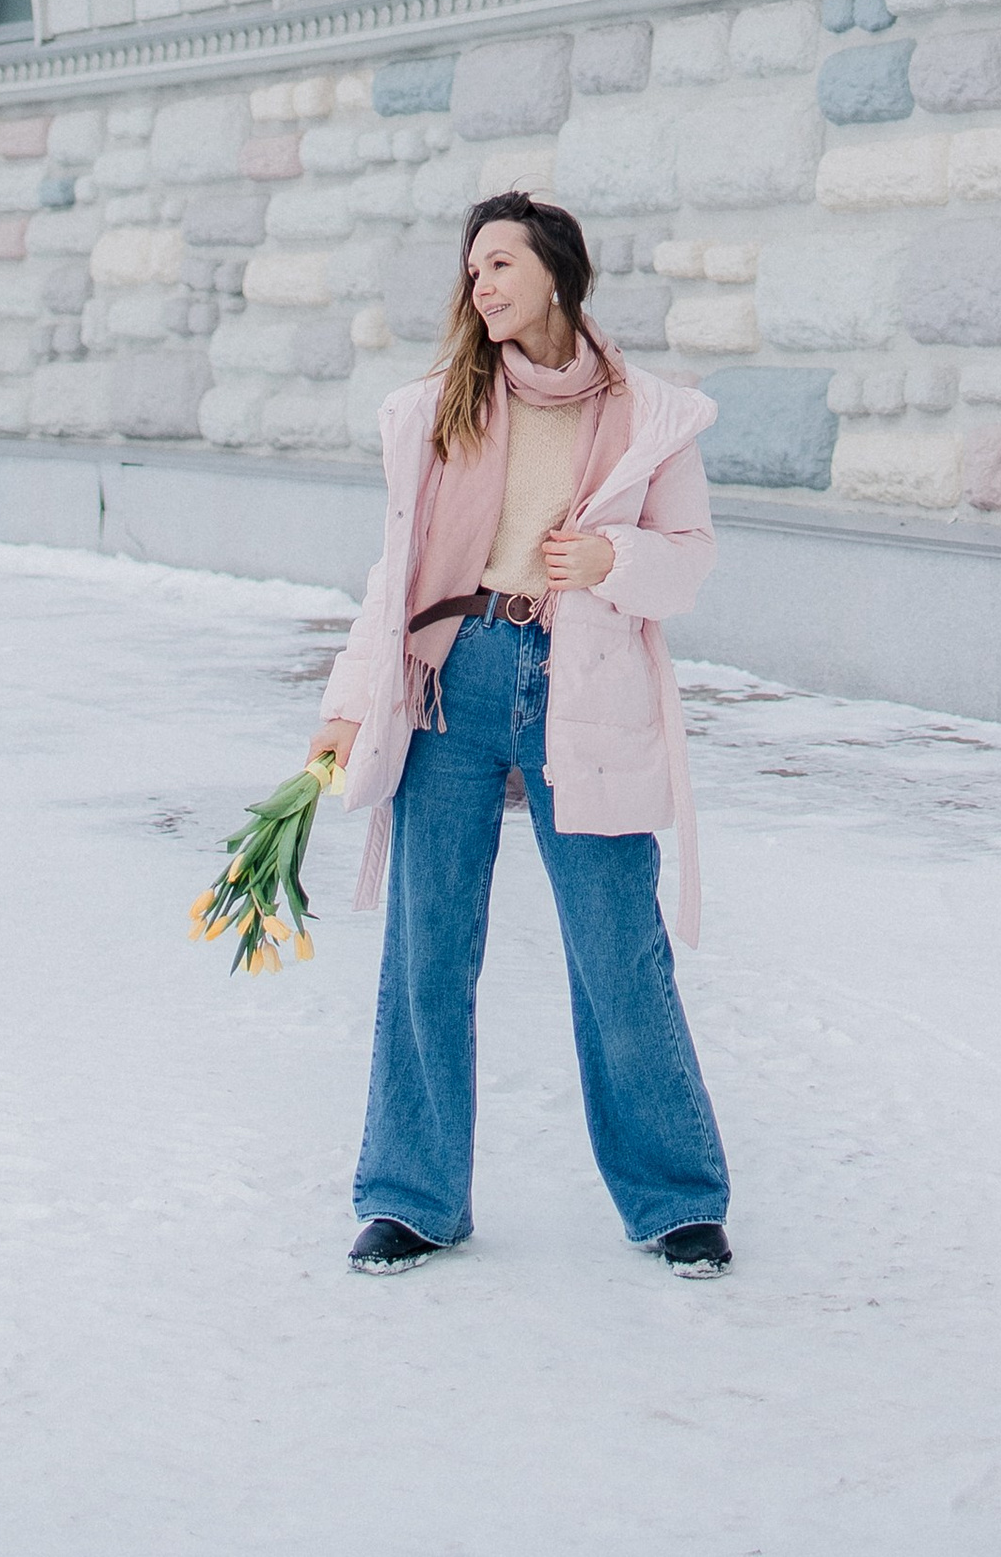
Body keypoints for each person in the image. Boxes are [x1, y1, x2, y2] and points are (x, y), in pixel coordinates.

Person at [309, 188, 732, 1276]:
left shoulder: (649, 414)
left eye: (500, 263)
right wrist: (350, 703)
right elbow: (392, 576)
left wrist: (612, 564)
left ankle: (676, 1196)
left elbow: (686, 559)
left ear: (555, 271)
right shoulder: (437, 407)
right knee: (427, 947)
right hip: (451, 680)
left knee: (614, 945)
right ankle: (411, 1195)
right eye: (472, 268)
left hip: (577, 681)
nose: (480, 284)